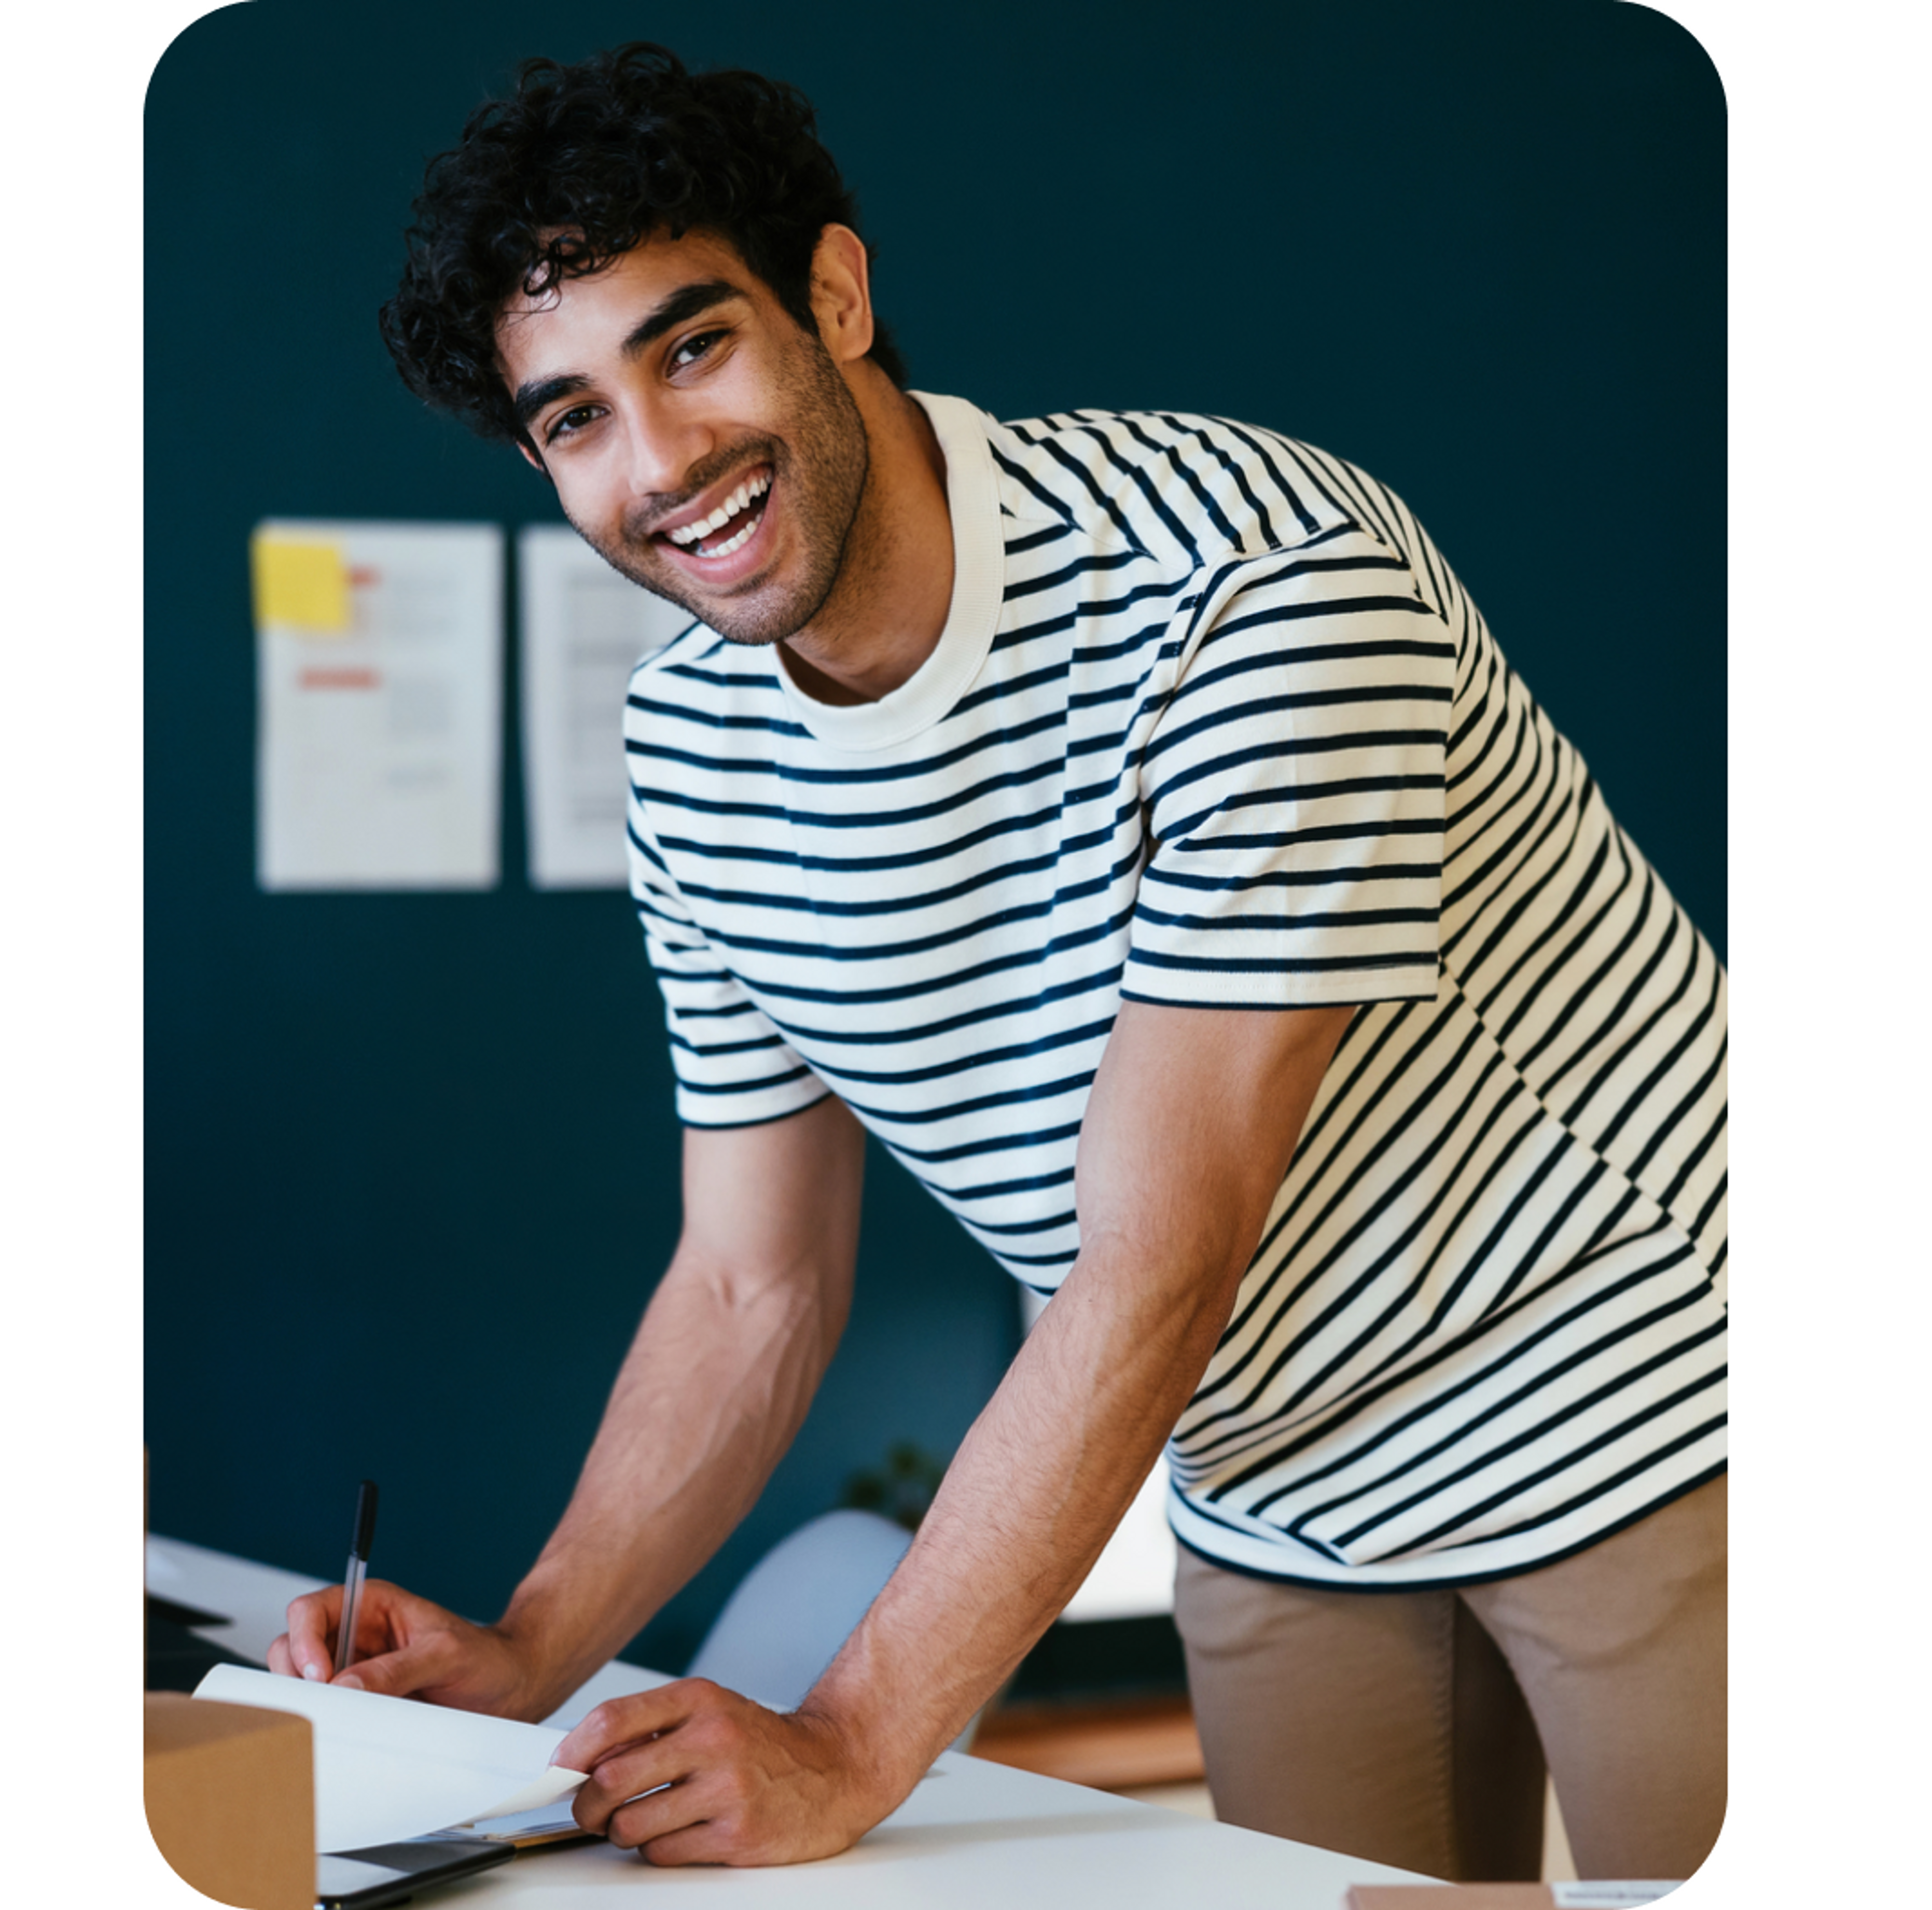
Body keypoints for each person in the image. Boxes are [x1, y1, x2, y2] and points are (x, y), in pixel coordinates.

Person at [272, 43, 1727, 1882]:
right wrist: (531, 1648)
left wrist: (850, 1742)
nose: (662, 464)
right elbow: (750, 1286)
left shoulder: (1257, 585)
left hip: (1657, 1391)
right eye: (572, 418)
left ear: (835, 291)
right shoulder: (687, 757)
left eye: (693, 345)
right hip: (1271, 1488)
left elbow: (1158, 1258)